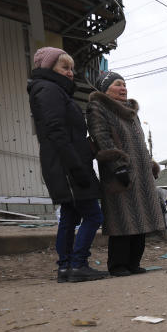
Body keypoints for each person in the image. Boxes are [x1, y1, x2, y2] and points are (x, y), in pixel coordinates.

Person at [27, 47, 105, 283]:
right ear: (50, 68)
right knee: (93, 216)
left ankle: (65, 268)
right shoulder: (49, 90)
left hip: (63, 164)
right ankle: (78, 264)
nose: (70, 73)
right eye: (65, 67)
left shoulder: (54, 90)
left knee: (70, 217)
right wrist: (76, 166)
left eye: (71, 68)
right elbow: (56, 131)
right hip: (67, 166)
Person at [87, 71, 167, 277]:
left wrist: (150, 165)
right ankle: (117, 265)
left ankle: (134, 262)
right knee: (121, 218)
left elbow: (140, 144)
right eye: (117, 84)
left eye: (124, 84)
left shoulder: (131, 112)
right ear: (105, 89)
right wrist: (118, 166)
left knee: (142, 218)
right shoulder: (99, 107)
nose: (123, 88)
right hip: (119, 173)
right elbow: (102, 138)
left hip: (141, 173)